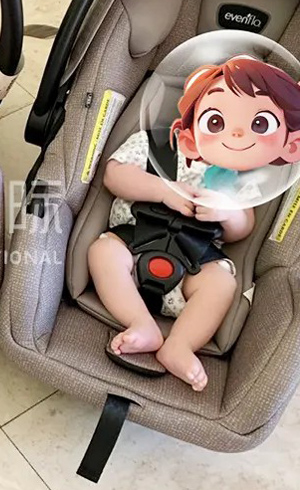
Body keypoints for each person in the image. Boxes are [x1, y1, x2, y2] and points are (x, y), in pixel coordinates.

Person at [88, 55, 300, 391]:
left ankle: (180, 344)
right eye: (217, 120)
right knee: (102, 253)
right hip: (132, 242)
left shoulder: (241, 177)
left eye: (254, 126)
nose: (235, 133)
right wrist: (163, 190)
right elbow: (115, 176)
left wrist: (226, 211)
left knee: (222, 285)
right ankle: (141, 323)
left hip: (195, 264)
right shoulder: (153, 144)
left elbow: (242, 228)